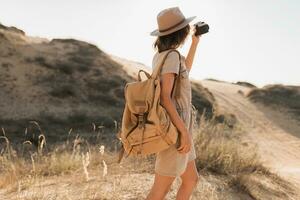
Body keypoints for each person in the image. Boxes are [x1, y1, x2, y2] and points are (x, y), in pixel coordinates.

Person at [146, 7, 201, 200]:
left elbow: (186, 68)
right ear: (181, 32)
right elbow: (165, 98)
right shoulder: (170, 57)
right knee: (160, 189)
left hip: (179, 126)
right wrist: (183, 133)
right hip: (175, 129)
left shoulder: (167, 56)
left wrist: (195, 42)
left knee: (191, 179)